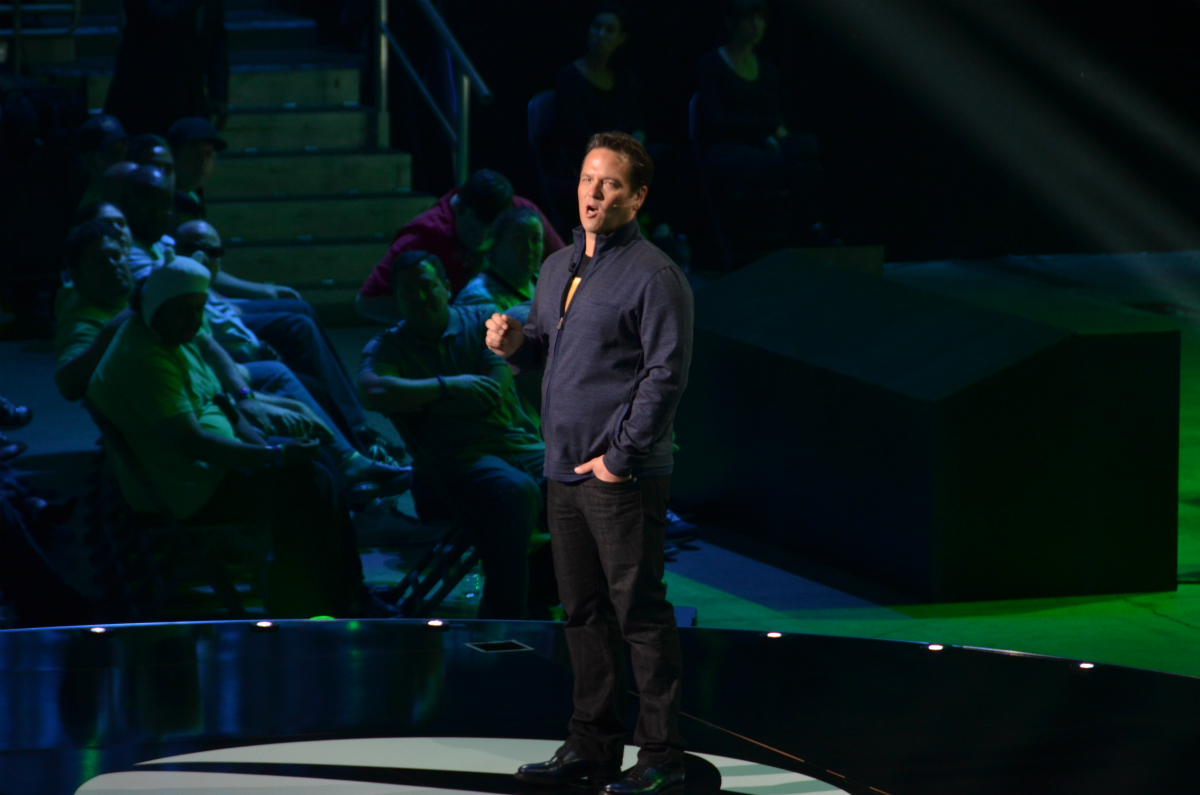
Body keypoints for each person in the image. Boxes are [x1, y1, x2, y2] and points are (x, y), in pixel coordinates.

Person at [488, 132, 692, 794]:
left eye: (609, 184)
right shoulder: (558, 266)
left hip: (619, 476)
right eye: (585, 179)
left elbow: (665, 375)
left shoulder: (656, 276)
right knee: (581, 612)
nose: (593, 193)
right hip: (563, 470)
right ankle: (592, 745)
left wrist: (620, 457)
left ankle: (660, 756)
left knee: (639, 614)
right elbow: (548, 350)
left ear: (637, 197)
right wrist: (516, 345)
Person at [87, 257, 367, 618]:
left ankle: (325, 592)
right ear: (155, 307)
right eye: (183, 311)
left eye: (198, 308)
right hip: (191, 488)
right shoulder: (145, 359)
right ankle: (333, 596)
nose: (193, 319)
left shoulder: (171, 327)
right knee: (309, 481)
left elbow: (211, 354)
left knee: (317, 463)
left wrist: (251, 411)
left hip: (211, 466)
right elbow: (195, 443)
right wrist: (273, 455)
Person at [358, 251, 545, 620]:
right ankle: (503, 617)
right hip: (457, 467)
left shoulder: (484, 320)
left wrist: (420, 401)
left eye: (427, 287)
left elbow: (491, 391)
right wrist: (450, 386)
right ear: (397, 299)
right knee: (517, 492)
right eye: (408, 292)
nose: (420, 297)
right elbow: (372, 391)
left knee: (595, 478)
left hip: (523, 447)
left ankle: (558, 593)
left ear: (446, 287)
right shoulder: (388, 346)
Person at [356, 169, 565, 326]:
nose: (481, 242)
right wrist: (439, 318)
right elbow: (366, 302)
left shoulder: (523, 218)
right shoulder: (423, 238)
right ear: (458, 208)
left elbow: (569, 270)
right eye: (473, 230)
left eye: (492, 235)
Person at [103, 0, 229, 137]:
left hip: (189, 93)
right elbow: (159, 17)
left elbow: (216, 40)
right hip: (142, 94)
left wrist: (218, 94)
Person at [554, 6, 644, 172]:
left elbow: (635, 124)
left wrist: (635, 149)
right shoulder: (569, 76)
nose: (600, 34)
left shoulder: (623, 78)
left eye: (609, 30)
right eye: (597, 26)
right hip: (587, 157)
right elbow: (575, 132)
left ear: (621, 38)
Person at [454, 207, 543, 313]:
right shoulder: (478, 299)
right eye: (518, 239)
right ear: (497, 243)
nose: (529, 248)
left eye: (535, 240)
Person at [168, 116, 227, 224]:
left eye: (208, 154)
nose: (202, 163)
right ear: (172, 156)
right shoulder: (159, 201)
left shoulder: (192, 199)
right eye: (195, 154)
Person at [73, 115, 130, 209]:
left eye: (124, 145)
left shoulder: (135, 195)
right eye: (112, 153)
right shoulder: (92, 209)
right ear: (88, 161)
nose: (121, 158)